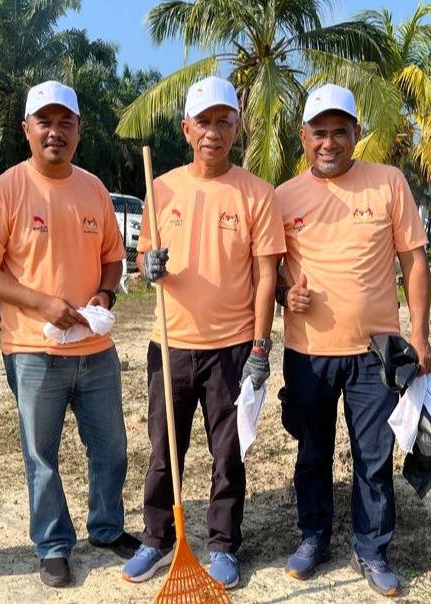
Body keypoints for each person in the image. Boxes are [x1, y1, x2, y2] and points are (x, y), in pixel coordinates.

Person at [0, 80, 139, 588]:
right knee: (41, 454)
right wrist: (42, 302)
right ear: (27, 129)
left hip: (95, 349)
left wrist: (104, 296)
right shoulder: (4, 191)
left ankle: (106, 528)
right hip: (32, 349)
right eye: (44, 121)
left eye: (66, 122)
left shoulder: (93, 189)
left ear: (79, 130)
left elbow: (112, 257)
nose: (55, 132)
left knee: (110, 447)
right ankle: (53, 544)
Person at [122, 76, 284, 589]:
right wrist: (148, 265)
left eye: (223, 121)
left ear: (237, 127)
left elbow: (266, 277)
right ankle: (156, 539)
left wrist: (260, 346)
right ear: (186, 129)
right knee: (163, 449)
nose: (213, 132)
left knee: (228, 452)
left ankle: (223, 545)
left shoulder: (257, 194)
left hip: (231, 348)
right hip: (170, 343)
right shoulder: (161, 189)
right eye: (204, 122)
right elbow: (144, 258)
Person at [275, 83, 431, 597]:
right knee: (312, 451)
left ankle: (372, 548)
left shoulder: (388, 183)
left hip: (375, 352)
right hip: (308, 353)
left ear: (356, 133)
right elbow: (268, 272)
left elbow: (414, 261)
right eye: (319, 132)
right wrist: (285, 295)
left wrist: (419, 334)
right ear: (304, 137)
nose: (329, 142)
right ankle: (313, 537)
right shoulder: (284, 197)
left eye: (339, 132)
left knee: (373, 455)